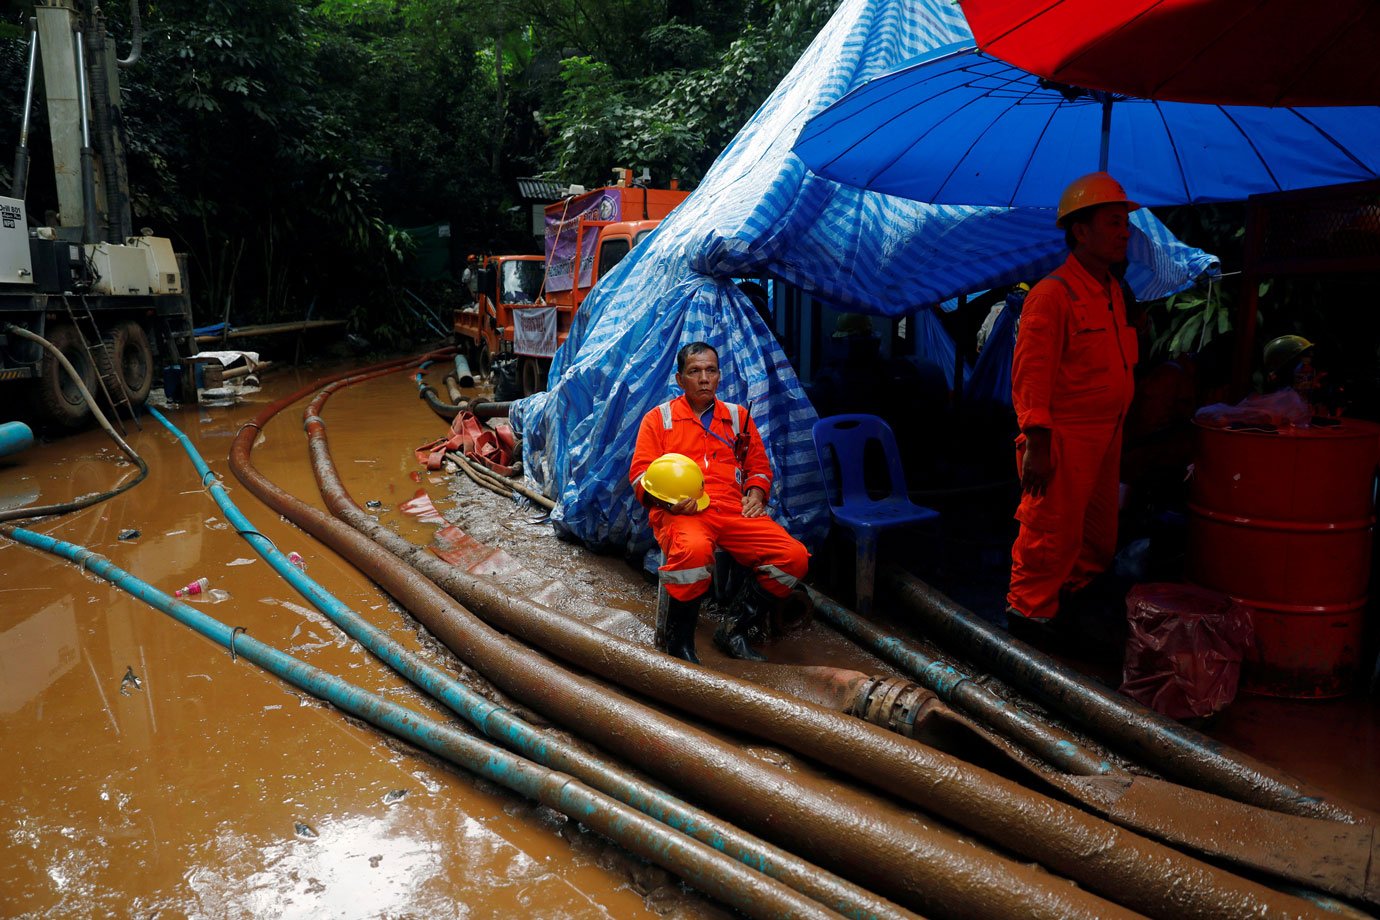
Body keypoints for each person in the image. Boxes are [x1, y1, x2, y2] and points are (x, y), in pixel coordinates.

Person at [1007, 172, 1140, 631]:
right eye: (1113, 222)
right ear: (1080, 231)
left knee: (1097, 540)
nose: (1124, 231)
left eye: (1125, 222)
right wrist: (1038, 445)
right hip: (1063, 440)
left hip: (1108, 436)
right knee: (1049, 538)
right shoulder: (1051, 295)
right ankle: (1028, 621)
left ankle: (1071, 608)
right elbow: (1030, 379)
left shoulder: (1113, 292)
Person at [629, 342, 810, 663]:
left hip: (732, 508)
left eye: (710, 370)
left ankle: (734, 628)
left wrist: (755, 493)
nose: (703, 379)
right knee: (694, 552)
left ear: (719, 376)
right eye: (694, 371)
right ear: (679, 379)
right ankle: (679, 641)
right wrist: (667, 502)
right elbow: (640, 475)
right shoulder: (659, 419)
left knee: (793, 557)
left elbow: (758, 467)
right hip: (681, 512)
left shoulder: (738, 417)